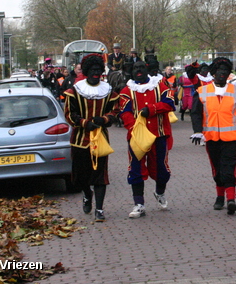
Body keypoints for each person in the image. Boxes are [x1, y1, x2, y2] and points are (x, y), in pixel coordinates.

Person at [190, 57, 236, 215]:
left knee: (229, 169)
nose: (222, 74)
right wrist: (198, 131)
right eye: (219, 71)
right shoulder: (202, 91)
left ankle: (231, 199)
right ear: (213, 73)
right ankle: (220, 197)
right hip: (211, 137)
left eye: (226, 72)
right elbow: (195, 113)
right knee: (217, 169)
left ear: (229, 75)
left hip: (232, 138)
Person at [64, 54, 119, 222]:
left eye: (98, 69)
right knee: (80, 176)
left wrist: (104, 119)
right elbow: (68, 114)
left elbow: (115, 111)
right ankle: (87, 194)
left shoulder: (108, 90)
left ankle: (100, 209)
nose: (96, 72)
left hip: (100, 139)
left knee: (100, 175)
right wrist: (83, 122)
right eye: (92, 69)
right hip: (80, 139)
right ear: (87, 71)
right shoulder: (75, 90)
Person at [119, 60, 175, 218]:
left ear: (147, 69)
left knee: (162, 170)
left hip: (159, 134)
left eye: (141, 68)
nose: (138, 71)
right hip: (137, 137)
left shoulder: (160, 85)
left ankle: (159, 192)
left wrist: (150, 109)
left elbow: (170, 103)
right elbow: (124, 112)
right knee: (135, 169)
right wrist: (134, 128)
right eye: (135, 68)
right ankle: (139, 204)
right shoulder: (127, 90)